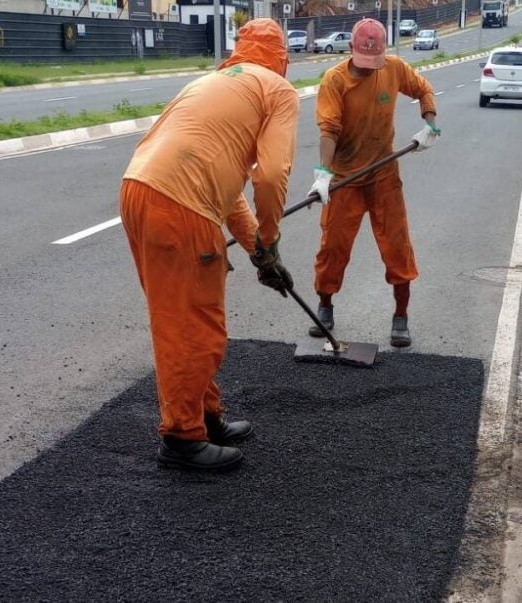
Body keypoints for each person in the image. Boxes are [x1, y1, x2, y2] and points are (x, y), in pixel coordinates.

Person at [119, 19, 298, 472]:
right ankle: (182, 438)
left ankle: (205, 416)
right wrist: (272, 242)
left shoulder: (213, 81)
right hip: (180, 207)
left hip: (139, 191)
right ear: (282, 60)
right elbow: (273, 174)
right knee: (194, 327)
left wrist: (255, 247)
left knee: (180, 315)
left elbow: (228, 187)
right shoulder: (276, 90)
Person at [307, 18, 440, 348]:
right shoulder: (334, 80)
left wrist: (430, 126)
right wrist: (323, 174)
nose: (369, 69)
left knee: (397, 247)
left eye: (374, 63)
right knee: (333, 248)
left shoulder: (393, 68)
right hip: (345, 180)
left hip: (383, 177)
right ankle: (325, 307)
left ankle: (400, 316)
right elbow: (329, 131)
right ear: (352, 50)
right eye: (363, 63)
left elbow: (423, 89)